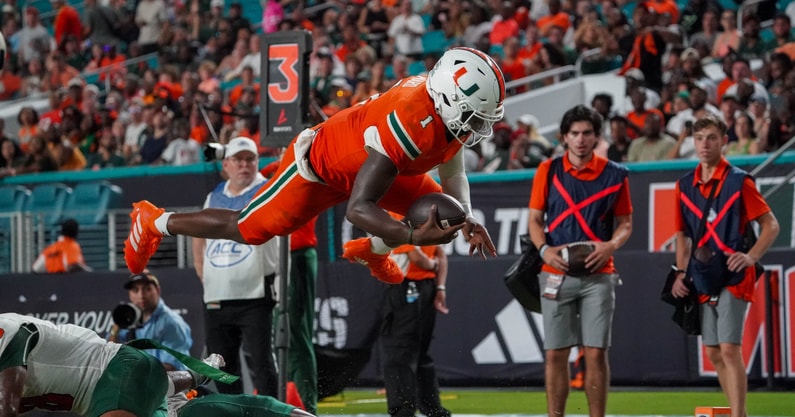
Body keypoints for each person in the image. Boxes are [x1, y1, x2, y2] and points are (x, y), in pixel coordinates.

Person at [123, 47, 500, 285]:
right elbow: (359, 207)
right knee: (248, 229)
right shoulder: (411, 119)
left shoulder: (442, 111)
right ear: (448, 97)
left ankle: (372, 249)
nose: (480, 127)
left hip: (373, 162)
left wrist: (466, 217)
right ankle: (153, 220)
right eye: (474, 116)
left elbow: (454, 171)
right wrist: (412, 238)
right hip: (320, 166)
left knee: (448, 216)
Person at [670, 114, 779, 417]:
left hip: (734, 274)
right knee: (713, 351)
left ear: (724, 142)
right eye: (700, 138)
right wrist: (680, 273)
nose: (705, 144)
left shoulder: (739, 181)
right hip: (704, 275)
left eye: (712, 138)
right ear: (694, 142)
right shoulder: (683, 186)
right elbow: (682, 236)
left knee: (729, 348)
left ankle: (739, 415)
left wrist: (751, 256)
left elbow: (771, 225)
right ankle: (735, 412)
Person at [527, 105, 633, 417]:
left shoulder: (615, 174)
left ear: (596, 136)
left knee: (596, 353)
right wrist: (544, 250)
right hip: (554, 270)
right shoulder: (547, 170)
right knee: (555, 355)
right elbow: (534, 219)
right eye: (574, 133)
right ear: (564, 138)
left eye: (587, 133)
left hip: (599, 273)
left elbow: (626, 223)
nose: (581, 139)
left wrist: (610, 245)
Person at [0, 313, 313, 417]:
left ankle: (196, 376)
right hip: (128, 382)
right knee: (199, 410)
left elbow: (8, 407)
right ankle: (283, 411)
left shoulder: (6, 332)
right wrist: (193, 375)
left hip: (117, 374)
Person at [191, 136, 279, 396]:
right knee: (221, 368)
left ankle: (270, 415)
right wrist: (202, 271)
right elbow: (199, 237)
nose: (244, 165)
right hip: (217, 295)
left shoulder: (268, 190)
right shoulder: (213, 196)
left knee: (262, 364)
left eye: (250, 159)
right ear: (226, 164)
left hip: (255, 294)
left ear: (257, 162)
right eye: (238, 159)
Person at [381, 242, 450, 417]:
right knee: (420, 353)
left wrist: (433, 265)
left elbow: (418, 259)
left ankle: (403, 411)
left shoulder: (398, 216)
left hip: (405, 286)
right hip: (427, 286)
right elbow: (441, 254)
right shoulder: (432, 217)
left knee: (399, 351)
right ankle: (432, 408)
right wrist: (440, 286)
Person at [108, 271, 193, 371]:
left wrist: (136, 370)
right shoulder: (125, 317)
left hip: (167, 383)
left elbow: (174, 368)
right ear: (130, 295)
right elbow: (109, 356)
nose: (141, 295)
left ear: (157, 290)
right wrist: (115, 331)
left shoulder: (172, 323)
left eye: (147, 289)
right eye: (135, 290)